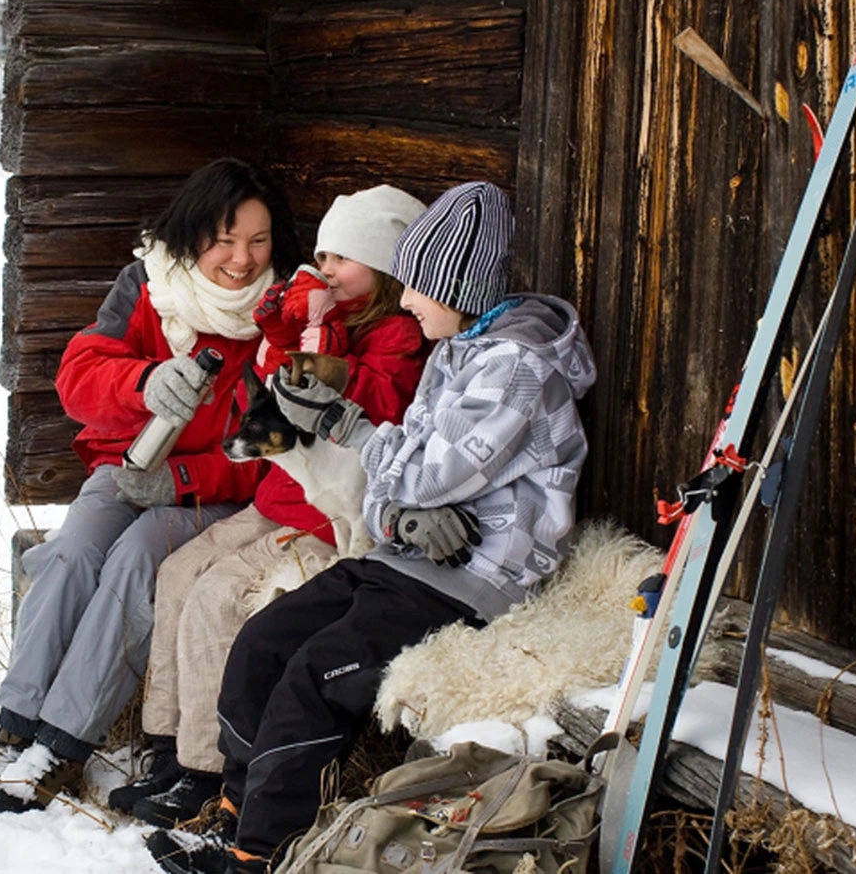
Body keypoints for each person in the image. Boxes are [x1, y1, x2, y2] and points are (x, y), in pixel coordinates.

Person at [146, 181, 597, 874]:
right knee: (263, 642)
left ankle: (261, 852)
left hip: (476, 579)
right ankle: (238, 808)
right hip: (406, 558)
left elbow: (416, 474)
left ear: (456, 286)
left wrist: (366, 447)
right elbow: (388, 487)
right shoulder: (457, 352)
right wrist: (397, 501)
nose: (407, 298)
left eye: (417, 285)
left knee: (317, 674)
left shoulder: (516, 373)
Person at [0, 158, 304, 813]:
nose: (241, 260)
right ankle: (15, 724)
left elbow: (276, 450)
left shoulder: (285, 312)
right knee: (73, 550)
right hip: (128, 466)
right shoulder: (150, 283)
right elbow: (80, 376)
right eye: (224, 239)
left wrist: (183, 476)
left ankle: (61, 744)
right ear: (192, 235)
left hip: (217, 490)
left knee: (135, 561)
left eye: (258, 241)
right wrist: (143, 382)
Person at [106, 186, 431, 827]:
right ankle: (169, 745)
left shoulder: (395, 334)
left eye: (343, 257)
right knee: (177, 575)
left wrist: (324, 354)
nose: (327, 269)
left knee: (217, 599)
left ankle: (207, 769)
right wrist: (286, 324)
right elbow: (275, 380)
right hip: (279, 495)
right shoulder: (319, 318)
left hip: (328, 512)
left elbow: (376, 406)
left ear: (386, 264)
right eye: (323, 255)